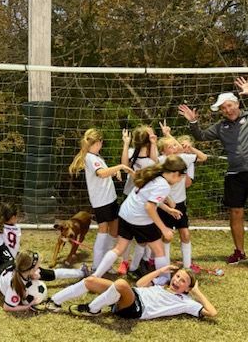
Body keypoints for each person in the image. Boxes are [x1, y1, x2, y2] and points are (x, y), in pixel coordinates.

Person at [43, 156, 187, 312]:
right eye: (181, 176)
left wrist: (168, 209)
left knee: (119, 248)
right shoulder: (163, 185)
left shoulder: (153, 175)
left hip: (125, 214)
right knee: (158, 249)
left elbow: (147, 198)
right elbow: (149, 207)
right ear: (175, 173)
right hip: (139, 218)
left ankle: (96, 275)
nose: (181, 180)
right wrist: (164, 229)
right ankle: (163, 280)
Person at [178, 76, 248, 276]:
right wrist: (193, 122)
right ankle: (239, 252)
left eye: (228, 106)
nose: (226, 110)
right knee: (235, 213)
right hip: (234, 175)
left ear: (237, 104)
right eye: (222, 108)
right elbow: (201, 136)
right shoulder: (221, 127)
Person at [69, 128, 133, 272]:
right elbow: (102, 173)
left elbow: (104, 172)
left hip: (107, 200)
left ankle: (103, 264)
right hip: (103, 202)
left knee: (111, 231)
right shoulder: (91, 158)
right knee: (106, 231)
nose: (101, 145)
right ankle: (99, 265)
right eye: (101, 142)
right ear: (97, 142)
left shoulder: (95, 156)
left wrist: (114, 171)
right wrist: (121, 166)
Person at [66, 265, 217, 319]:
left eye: (183, 281)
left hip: (137, 308)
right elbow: (140, 284)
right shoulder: (162, 284)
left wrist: (197, 292)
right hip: (130, 294)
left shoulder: (186, 301)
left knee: (120, 283)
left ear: (188, 288)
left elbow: (212, 313)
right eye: (177, 276)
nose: (177, 281)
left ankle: (92, 309)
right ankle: (54, 301)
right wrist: (160, 270)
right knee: (92, 281)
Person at [156, 122, 207, 269]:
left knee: (185, 234)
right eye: (170, 146)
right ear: (164, 152)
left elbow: (203, 157)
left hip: (180, 204)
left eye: (175, 145)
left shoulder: (184, 158)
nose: (175, 147)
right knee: (166, 236)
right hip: (165, 205)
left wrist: (188, 147)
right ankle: (164, 268)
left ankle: (187, 267)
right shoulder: (160, 161)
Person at [117, 125, 158, 276]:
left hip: (147, 198)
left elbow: (155, 163)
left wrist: (153, 143)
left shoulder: (152, 152)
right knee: (126, 235)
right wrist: (126, 143)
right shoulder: (130, 152)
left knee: (144, 234)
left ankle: (142, 261)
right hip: (131, 196)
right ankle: (125, 261)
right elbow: (124, 166)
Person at [0, 250, 89, 312]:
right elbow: (7, 307)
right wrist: (27, 306)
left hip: (14, 267)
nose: (39, 269)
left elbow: (33, 270)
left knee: (49, 273)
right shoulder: (15, 288)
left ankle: (81, 272)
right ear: (31, 269)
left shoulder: (24, 268)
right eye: (37, 267)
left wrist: (33, 274)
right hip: (0, 273)